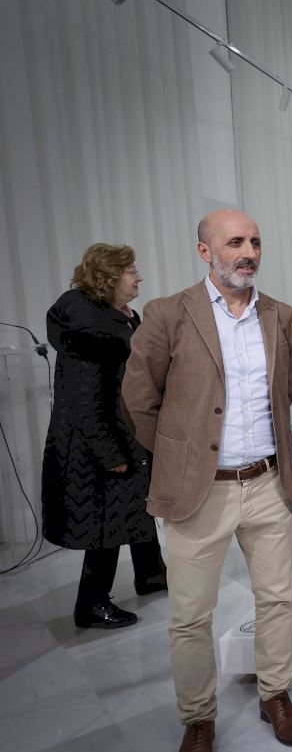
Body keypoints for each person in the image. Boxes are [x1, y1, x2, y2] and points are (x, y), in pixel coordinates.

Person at [123, 209, 292, 752]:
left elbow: (285, 392)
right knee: (190, 615)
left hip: (268, 483)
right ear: (205, 251)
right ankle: (198, 718)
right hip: (199, 491)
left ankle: (276, 693)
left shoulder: (281, 316)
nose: (248, 251)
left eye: (255, 241)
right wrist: (183, 459)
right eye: (234, 242)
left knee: (276, 599)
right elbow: (138, 401)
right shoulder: (166, 314)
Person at [42, 243, 167, 630]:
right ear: (108, 278)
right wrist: (109, 453)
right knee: (104, 524)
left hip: (123, 431)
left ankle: (151, 575)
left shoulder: (121, 318)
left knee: (136, 505)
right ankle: (91, 603)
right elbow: (83, 401)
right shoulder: (89, 329)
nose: (138, 277)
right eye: (131, 271)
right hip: (96, 443)